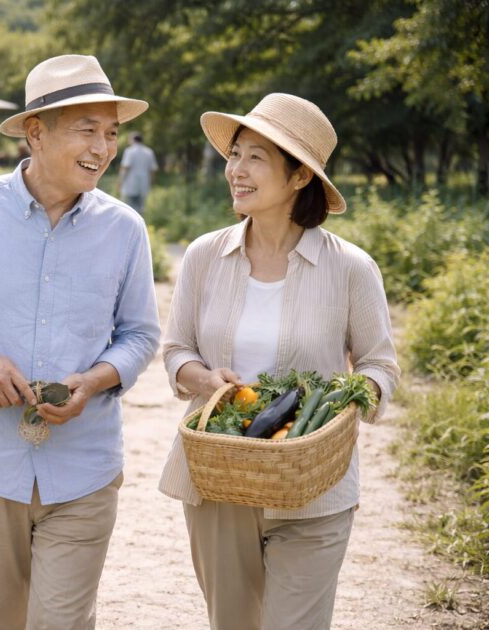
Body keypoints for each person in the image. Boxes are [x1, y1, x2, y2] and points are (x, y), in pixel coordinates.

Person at [0, 54, 161, 629]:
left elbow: (140, 335)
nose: (103, 147)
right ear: (35, 133)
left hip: (85, 466)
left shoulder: (124, 229)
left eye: (111, 133)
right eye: (87, 129)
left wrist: (93, 380)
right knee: (3, 619)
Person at [158, 93, 400, 630]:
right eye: (235, 154)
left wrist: (338, 411)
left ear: (298, 178)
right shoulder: (204, 257)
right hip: (220, 478)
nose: (235, 171)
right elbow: (176, 351)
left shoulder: (352, 269)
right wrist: (203, 377)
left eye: (256, 158)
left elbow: (380, 366)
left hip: (314, 483)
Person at [118, 131, 158, 214]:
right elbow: (153, 169)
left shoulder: (130, 151)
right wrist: (152, 182)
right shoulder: (149, 152)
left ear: (133, 140)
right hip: (144, 183)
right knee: (141, 208)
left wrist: (120, 181)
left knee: (129, 208)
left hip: (130, 183)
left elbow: (126, 167)